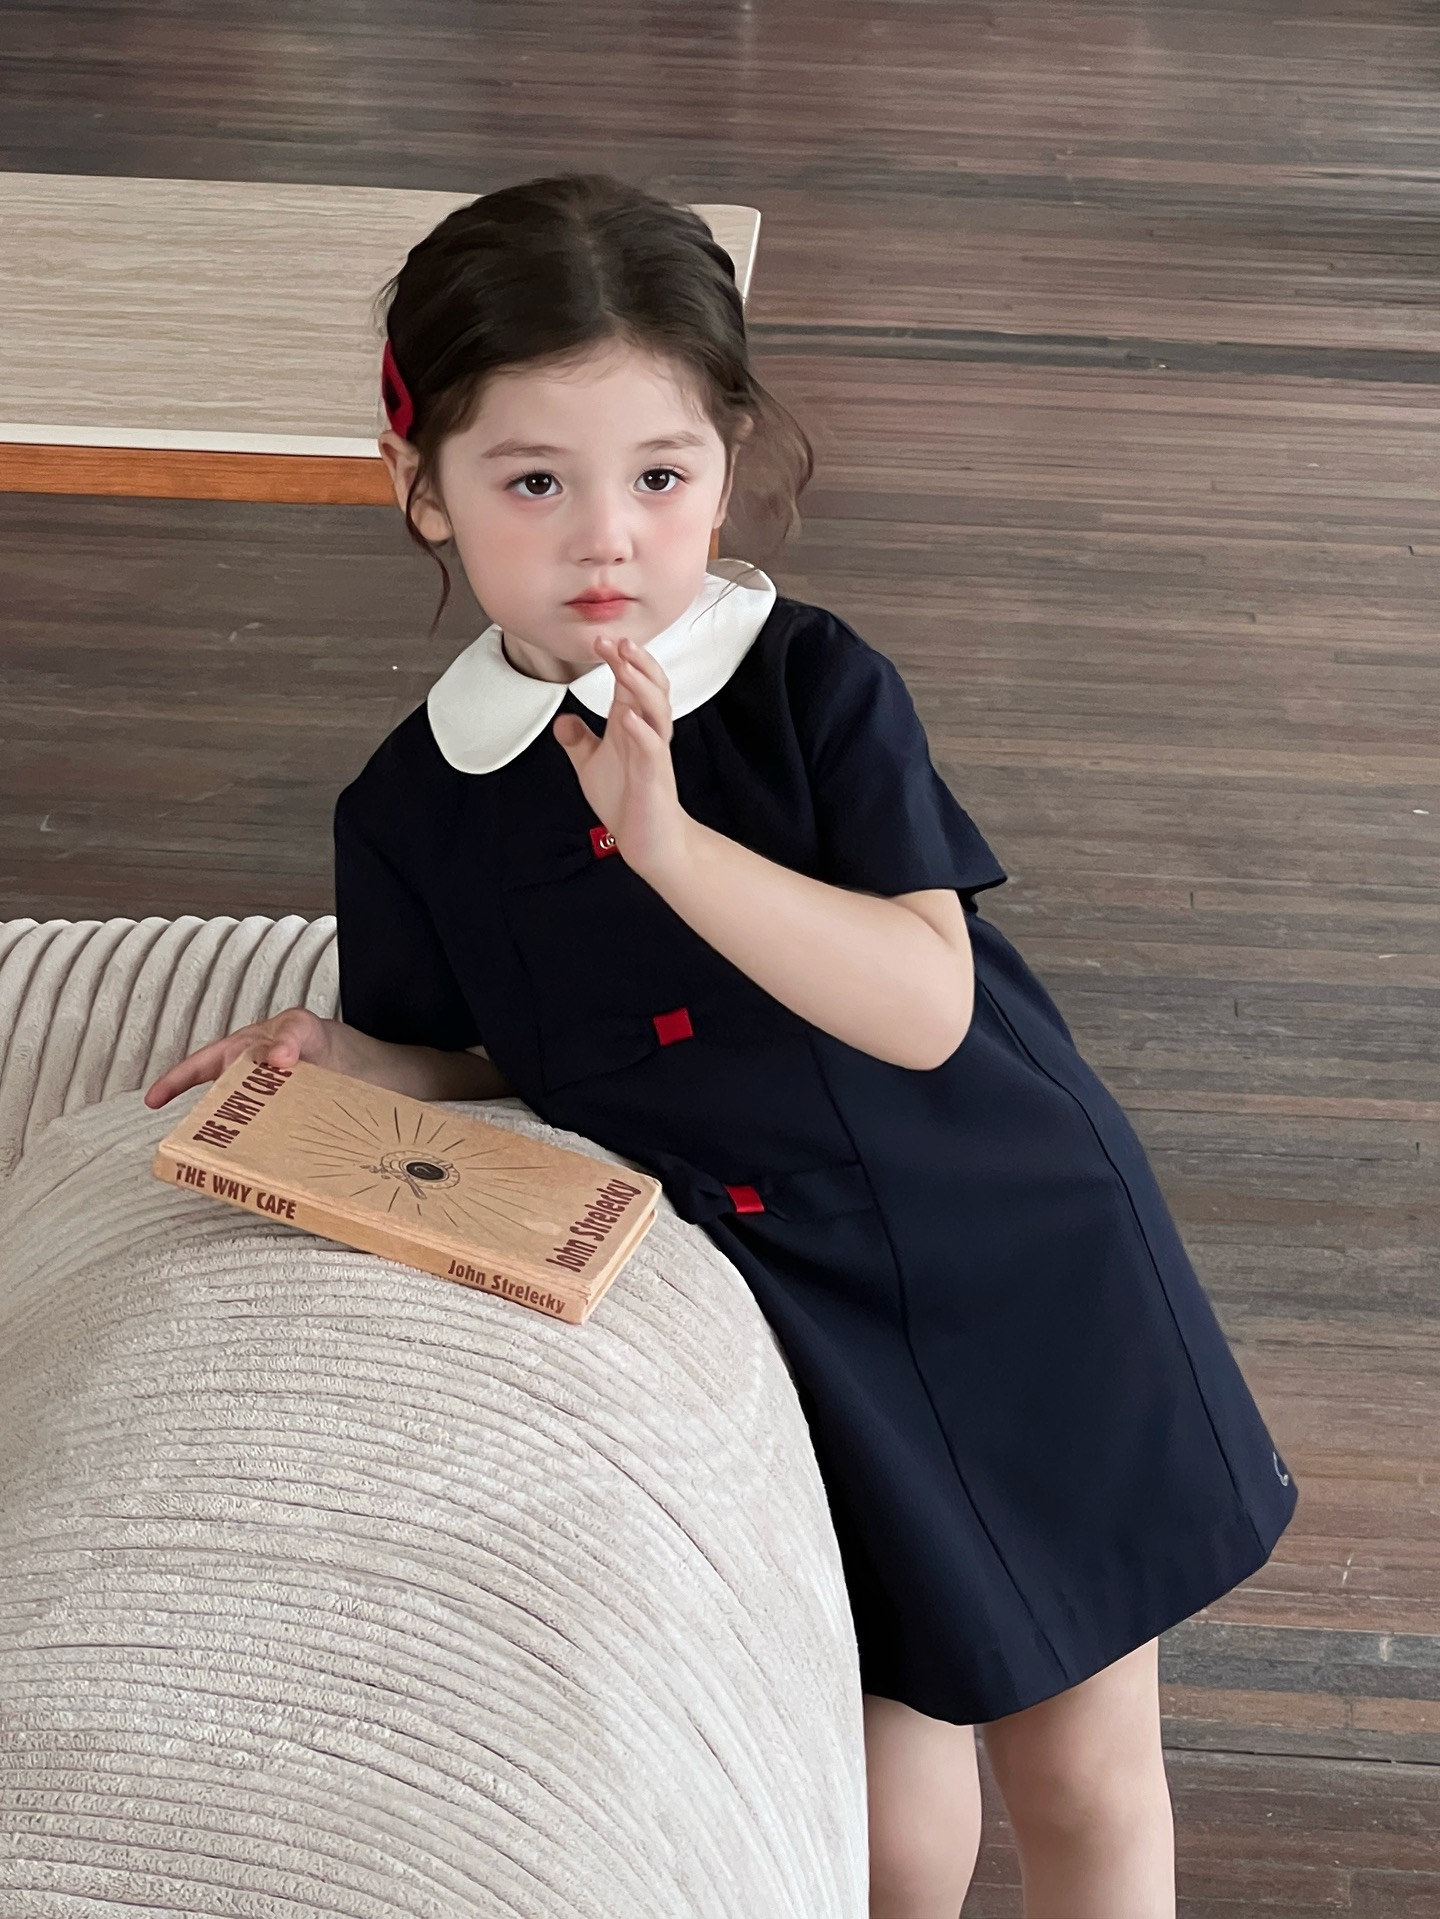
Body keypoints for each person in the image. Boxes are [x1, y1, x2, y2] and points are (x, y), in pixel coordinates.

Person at [145, 171, 1297, 1919]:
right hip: (788, 1334)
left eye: (661, 477)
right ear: (420, 486)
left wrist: (669, 844)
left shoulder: (814, 688)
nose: (606, 540)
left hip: (1010, 1257)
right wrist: (356, 1066)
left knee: (1082, 1782)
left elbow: (926, 1005)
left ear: (730, 462)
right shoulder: (411, 807)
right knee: (885, 1829)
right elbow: (487, 1051)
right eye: (535, 482)